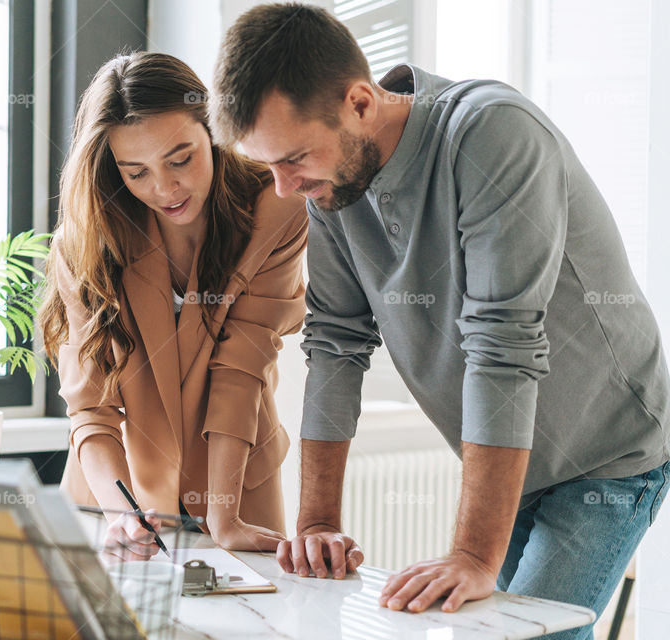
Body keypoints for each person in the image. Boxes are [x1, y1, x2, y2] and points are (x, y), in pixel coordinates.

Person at [209, 3, 670, 636]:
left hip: (608, 450)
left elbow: (501, 343)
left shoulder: (493, 133)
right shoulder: (331, 185)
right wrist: (316, 524)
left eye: (293, 158)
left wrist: (475, 555)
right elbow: (337, 344)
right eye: (269, 166)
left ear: (361, 103)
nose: (284, 188)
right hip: (522, 458)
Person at [39, 51, 308, 560]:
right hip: (116, 496)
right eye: (135, 172)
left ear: (213, 129)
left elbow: (242, 367)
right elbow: (90, 408)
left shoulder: (276, 207)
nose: (164, 189)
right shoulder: (86, 241)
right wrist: (122, 515)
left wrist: (225, 517)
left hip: (236, 487)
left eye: (180, 158)